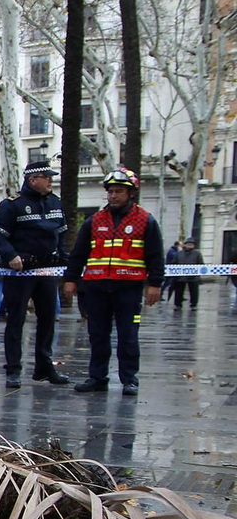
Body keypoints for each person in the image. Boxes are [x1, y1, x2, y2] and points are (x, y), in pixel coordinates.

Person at [62, 168, 164, 397]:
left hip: (129, 288)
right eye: (111, 191)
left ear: (131, 193)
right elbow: (78, 254)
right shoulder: (94, 221)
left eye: (119, 191)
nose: (113, 196)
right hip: (96, 287)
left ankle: (129, 379)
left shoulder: (145, 220)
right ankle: (97, 378)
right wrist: (70, 279)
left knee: (128, 336)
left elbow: (156, 255)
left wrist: (155, 284)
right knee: (97, 335)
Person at [0, 147, 71, 388]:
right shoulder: (12, 205)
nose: (51, 182)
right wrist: (11, 255)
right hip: (21, 271)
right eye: (47, 178)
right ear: (33, 180)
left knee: (48, 320)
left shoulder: (55, 203)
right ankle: (13, 370)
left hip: (47, 271)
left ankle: (44, 368)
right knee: (16, 320)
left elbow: (62, 236)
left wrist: (65, 263)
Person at [172, 238, 202, 309]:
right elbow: (174, 263)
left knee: (194, 291)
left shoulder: (197, 253)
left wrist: (198, 273)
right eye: (188, 244)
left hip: (193, 275)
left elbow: (200, 263)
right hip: (180, 276)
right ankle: (178, 304)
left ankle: (193, 304)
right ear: (185, 245)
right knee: (179, 291)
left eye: (191, 244)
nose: (189, 246)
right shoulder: (179, 253)